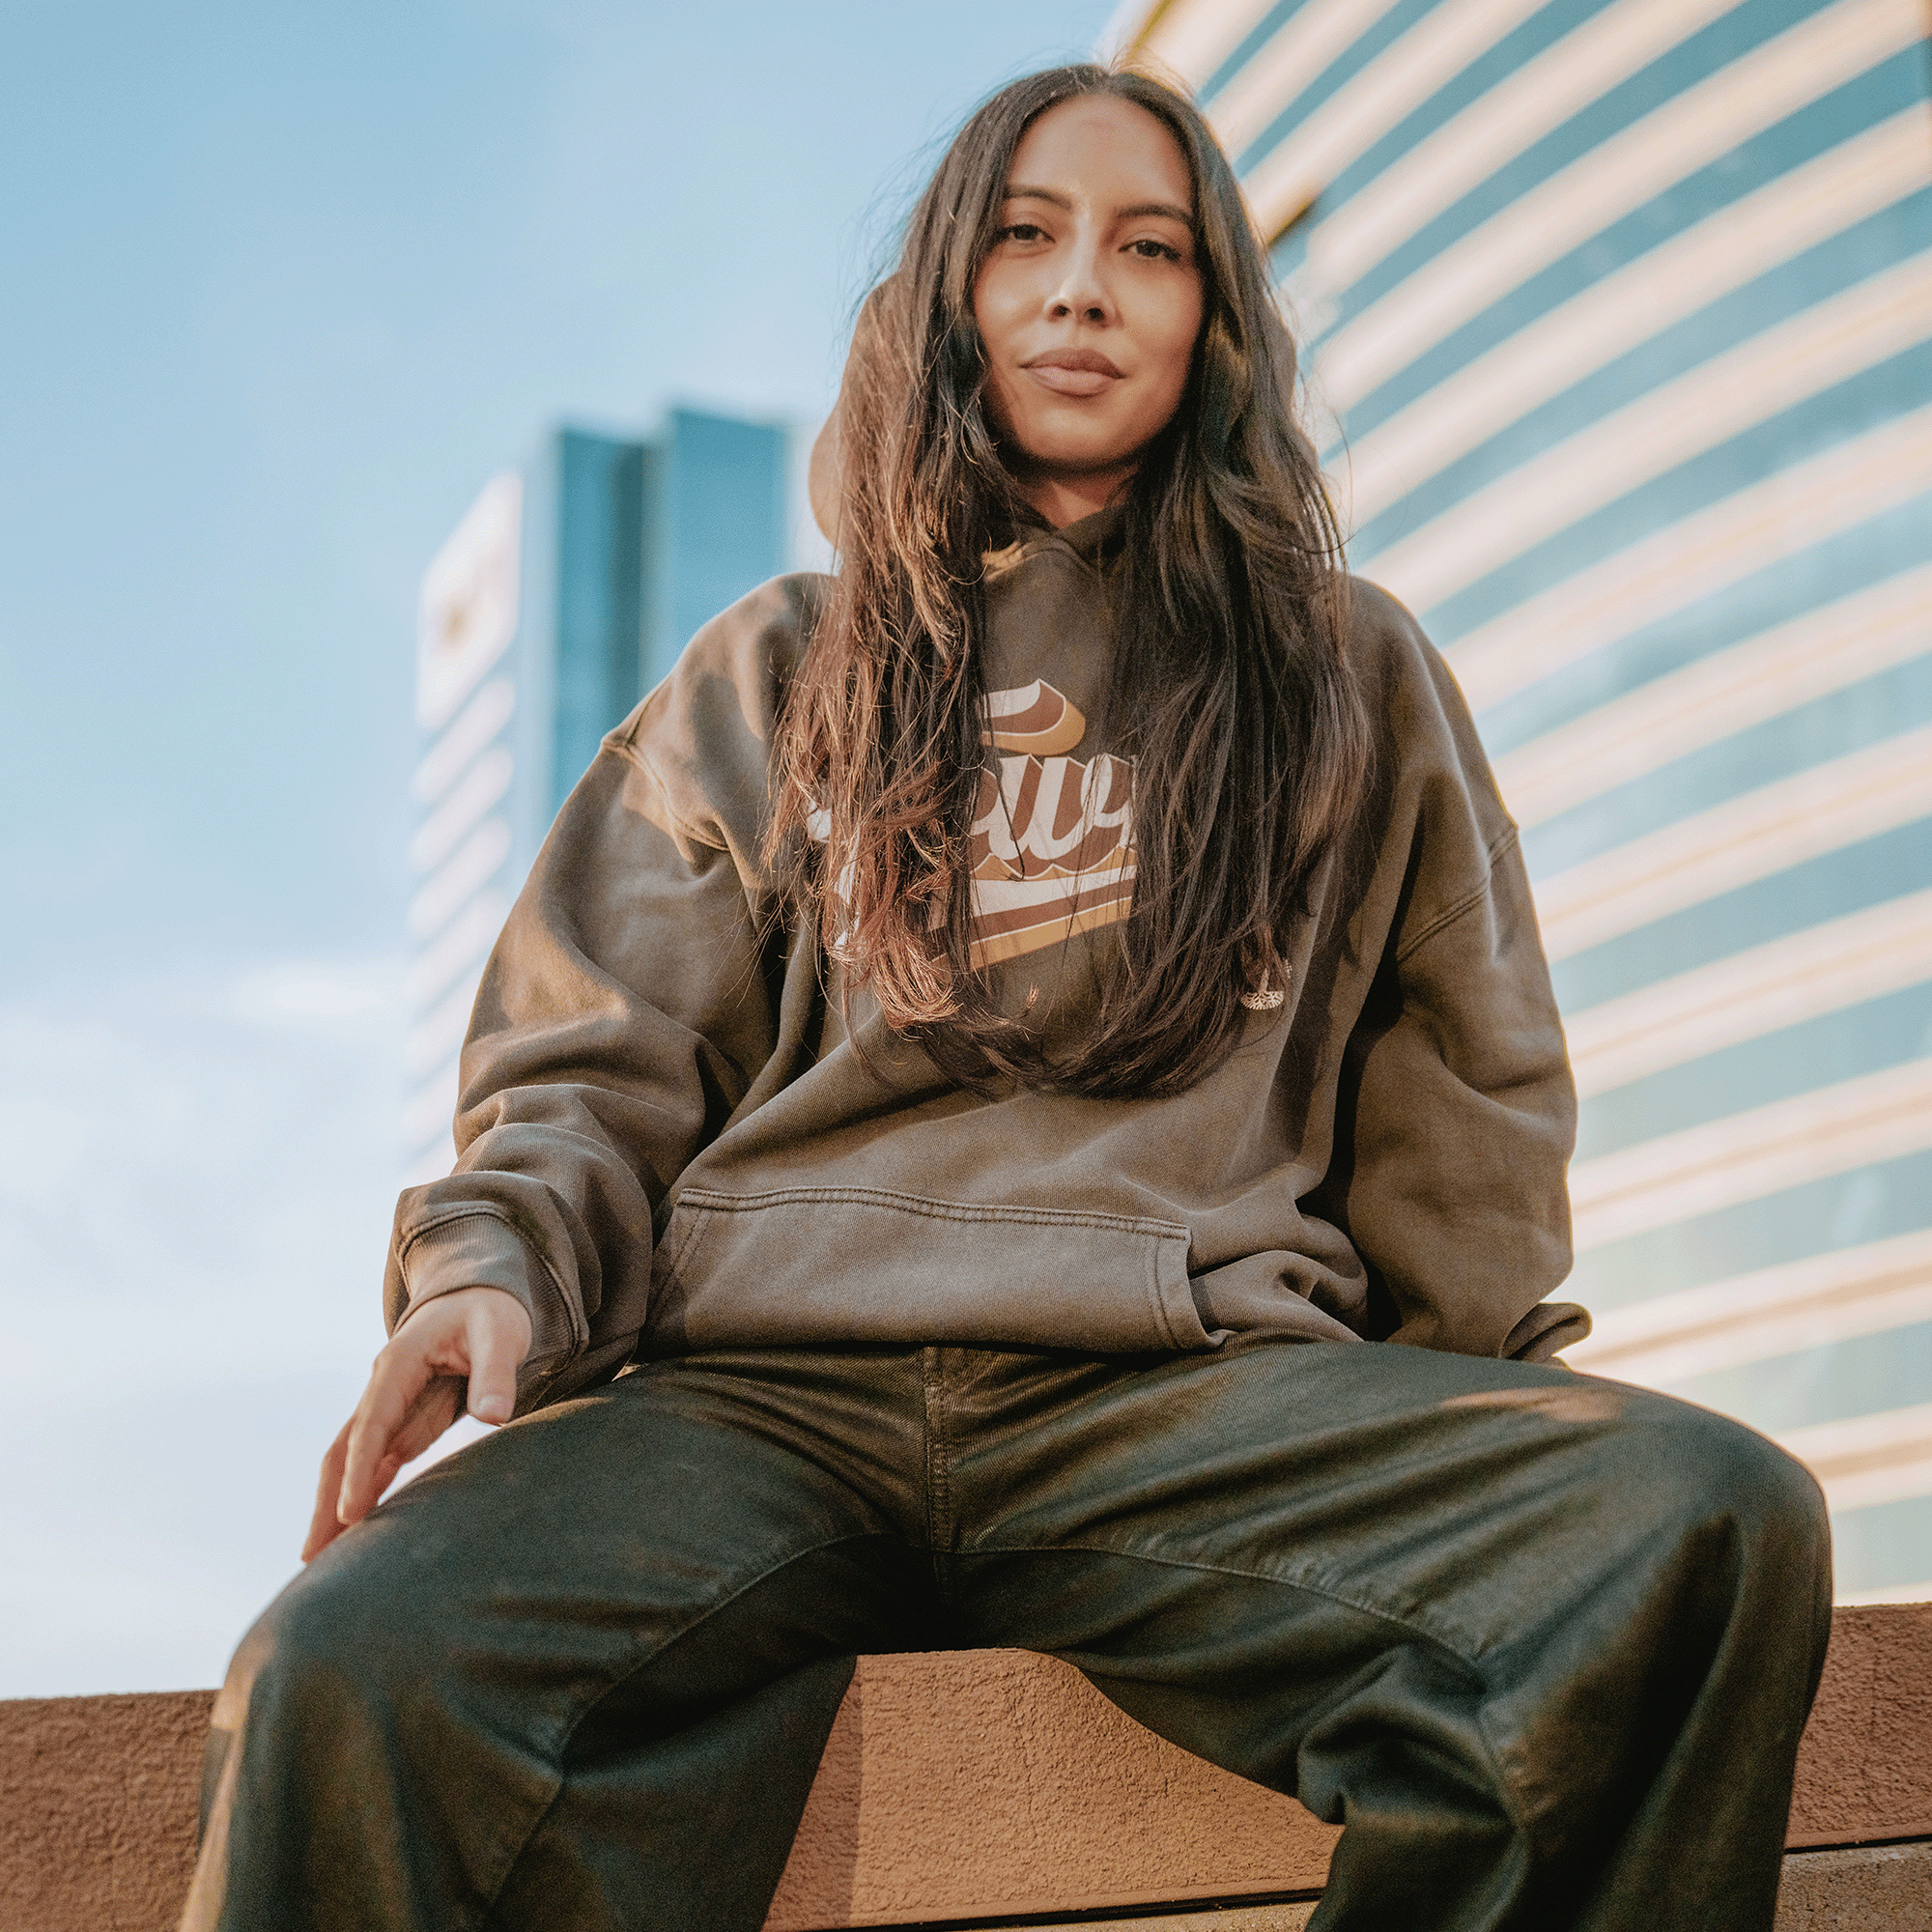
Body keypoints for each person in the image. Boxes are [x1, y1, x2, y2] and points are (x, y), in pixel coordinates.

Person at [182, 63, 1831, 1932]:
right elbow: (597, 1054)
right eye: (1027, 238)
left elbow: (1466, 1103)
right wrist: (488, 1268)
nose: (1080, 290)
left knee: (1701, 1523)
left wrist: (1478, 1435)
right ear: (953, 293)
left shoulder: (1349, 676)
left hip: (1182, 1411)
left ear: (1214, 322)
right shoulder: (784, 662)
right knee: (353, 1663)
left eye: (1151, 247)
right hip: (753, 1406)